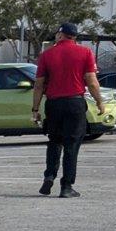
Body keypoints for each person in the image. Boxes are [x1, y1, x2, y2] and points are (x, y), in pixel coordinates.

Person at [31, 22, 103, 198]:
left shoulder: (46, 55)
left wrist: (35, 108)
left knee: (54, 141)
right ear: (75, 36)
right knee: (72, 145)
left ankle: (49, 175)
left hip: (54, 103)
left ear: (60, 35)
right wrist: (100, 101)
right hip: (75, 103)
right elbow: (92, 81)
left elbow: (39, 85)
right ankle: (67, 185)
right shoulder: (85, 52)